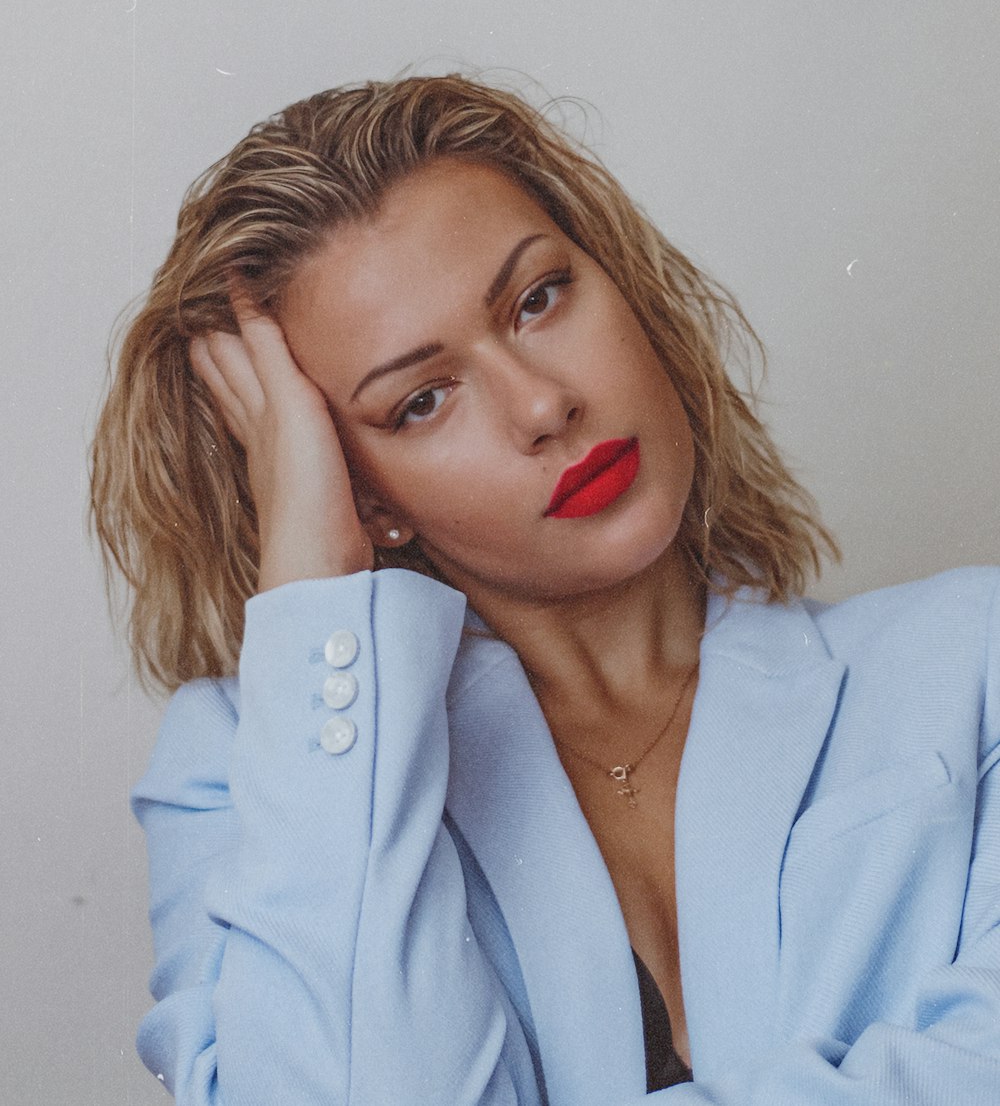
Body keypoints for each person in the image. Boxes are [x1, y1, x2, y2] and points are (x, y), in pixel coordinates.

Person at [90, 75, 1000, 1104]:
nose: (542, 402)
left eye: (538, 298)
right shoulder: (254, 766)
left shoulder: (972, 660)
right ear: (358, 491)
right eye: (421, 399)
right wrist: (313, 592)